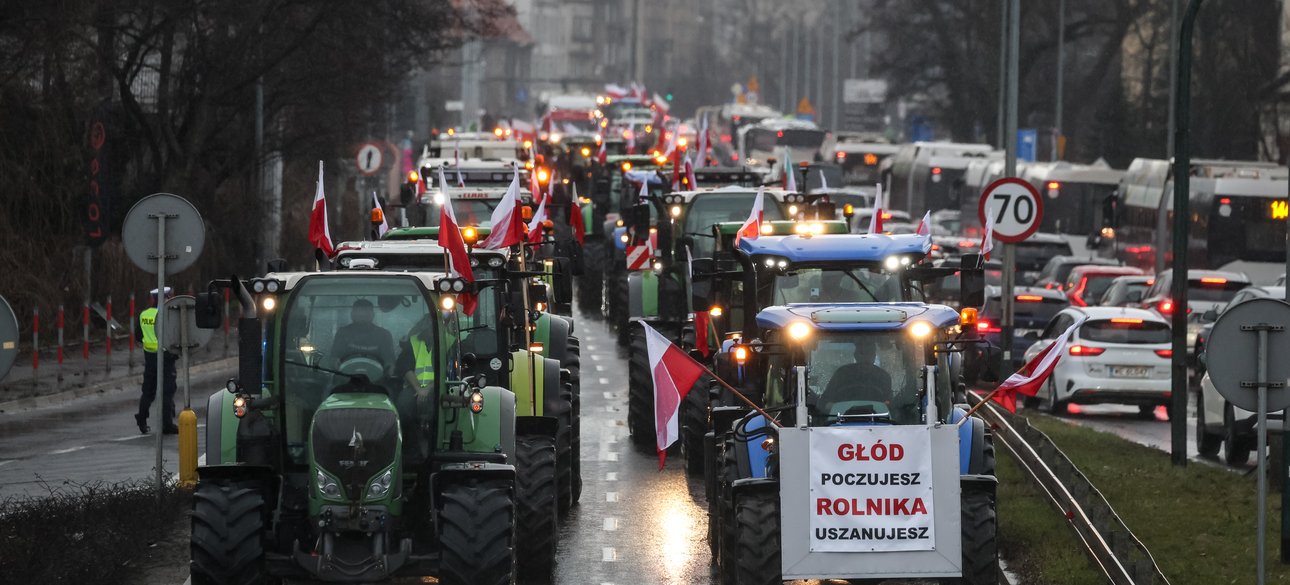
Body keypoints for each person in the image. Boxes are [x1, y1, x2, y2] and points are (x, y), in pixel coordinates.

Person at [136, 287, 178, 434]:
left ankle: (141, 420)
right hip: (166, 356)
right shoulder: (166, 315)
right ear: (165, 298)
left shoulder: (144, 314)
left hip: (149, 357)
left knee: (148, 391)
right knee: (167, 390)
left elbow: (138, 336)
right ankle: (167, 424)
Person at [818, 339, 893, 415]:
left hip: (879, 420)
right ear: (856, 355)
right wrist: (834, 407)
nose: (866, 357)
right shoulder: (841, 375)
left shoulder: (883, 377)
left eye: (869, 353)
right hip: (841, 420)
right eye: (862, 353)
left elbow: (890, 405)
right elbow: (824, 403)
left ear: (874, 356)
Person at [329, 299, 395, 373]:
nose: (362, 315)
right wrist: (335, 363)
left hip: (377, 378)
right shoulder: (343, 333)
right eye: (359, 312)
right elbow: (334, 358)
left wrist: (389, 367)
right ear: (352, 314)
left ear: (373, 315)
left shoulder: (384, 335)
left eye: (366, 312)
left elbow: (389, 361)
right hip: (346, 376)